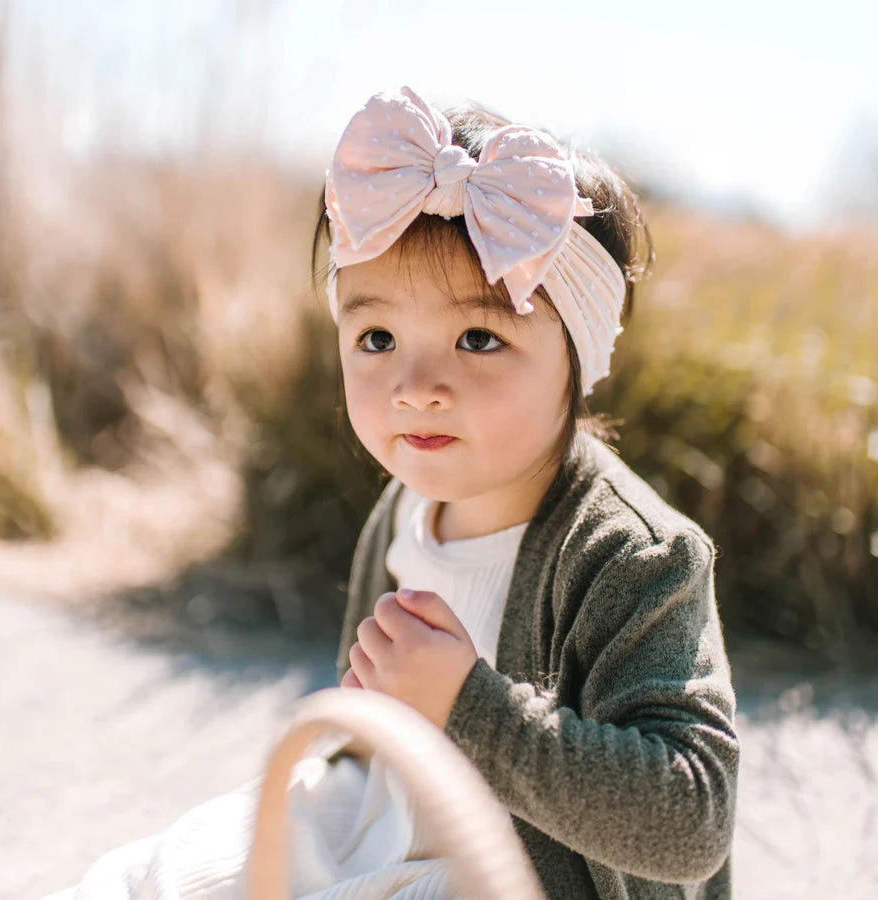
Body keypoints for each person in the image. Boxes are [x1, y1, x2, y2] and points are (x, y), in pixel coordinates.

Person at [48, 85, 739, 900]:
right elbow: (363, 718)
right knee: (148, 879)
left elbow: (693, 822)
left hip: (516, 876)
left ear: (577, 357)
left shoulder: (634, 557)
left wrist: (467, 706)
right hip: (391, 818)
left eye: (478, 337)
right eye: (377, 337)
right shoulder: (406, 503)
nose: (415, 388)